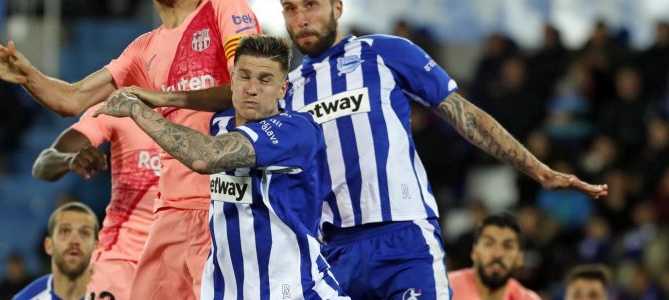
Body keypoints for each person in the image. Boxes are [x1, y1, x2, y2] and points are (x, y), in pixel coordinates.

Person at [122, 0, 609, 298]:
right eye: (289, 8)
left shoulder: (384, 54)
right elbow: (227, 115)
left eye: (310, 4)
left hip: (403, 239)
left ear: (337, 6)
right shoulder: (284, 89)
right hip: (329, 253)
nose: (300, 18)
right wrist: (162, 100)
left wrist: (538, 170)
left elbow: (466, 116)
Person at [0, 0, 261, 298]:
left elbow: (250, 87)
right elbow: (72, 99)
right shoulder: (143, 49)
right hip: (170, 214)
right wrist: (29, 77)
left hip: (223, 205)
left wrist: (163, 98)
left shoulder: (225, 7)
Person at [94, 34, 348, 300]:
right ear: (232, 80)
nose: (252, 88)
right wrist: (159, 98)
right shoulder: (219, 123)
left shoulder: (296, 130)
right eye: (244, 76)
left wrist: (137, 109)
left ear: (282, 89)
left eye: (265, 80)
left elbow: (205, 157)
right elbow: (209, 103)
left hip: (297, 293)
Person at [31, 87, 161, 300]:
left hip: (188, 257)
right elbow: (42, 165)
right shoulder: (118, 108)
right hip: (121, 265)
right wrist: (69, 161)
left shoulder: (205, 112)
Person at [14, 202, 98, 300]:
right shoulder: (26, 298)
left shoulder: (116, 295)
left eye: (84, 233)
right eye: (65, 231)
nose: (74, 241)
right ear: (49, 245)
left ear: (96, 248)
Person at [448, 213, 541, 300]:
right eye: (489, 244)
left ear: (519, 258)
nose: (498, 254)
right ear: (474, 252)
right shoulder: (443, 288)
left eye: (508, 246)